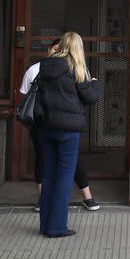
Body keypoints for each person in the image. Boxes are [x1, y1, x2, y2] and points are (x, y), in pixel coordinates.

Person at [34, 32, 102, 238]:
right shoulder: (76, 67)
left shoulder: (46, 65)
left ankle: (45, 225)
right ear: (78, 48)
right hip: (68, 130)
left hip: (46, 127)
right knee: (64, 177)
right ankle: (57, 227)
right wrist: (96, 82)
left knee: (49, 176)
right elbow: (91, 97)